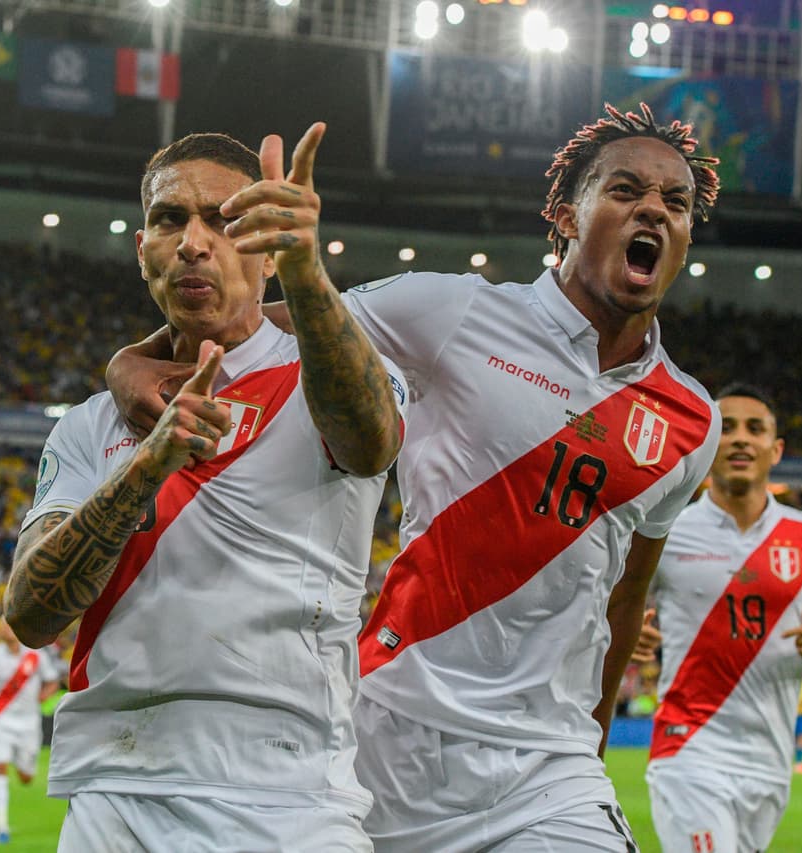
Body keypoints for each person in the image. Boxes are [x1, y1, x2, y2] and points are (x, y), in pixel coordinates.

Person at [107, 103, 723, 851]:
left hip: (550, 770)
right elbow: (248, 328)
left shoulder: (692, 419)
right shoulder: (452, 311)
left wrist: (591, 747)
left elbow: (627, 597)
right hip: (391, 736)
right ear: (564, 213)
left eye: (677, 202)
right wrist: (132, 360)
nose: (654, 207)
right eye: (626, 190)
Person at [4, 124, 406, 851]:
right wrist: (144, 469)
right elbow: (31, 613)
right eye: (169, 219)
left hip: (289, 798)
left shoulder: (330, 368)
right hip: (116, 794)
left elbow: (371, 441)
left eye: (225, 220)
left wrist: (307, 269)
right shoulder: (91, 425)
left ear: (266, 248)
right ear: (142, 252)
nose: (194, 240)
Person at [639, 383, 802, 853]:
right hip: (689, 750)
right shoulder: (664, 528)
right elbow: (608, 607)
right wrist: (623, 633)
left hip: (769, 760)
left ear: (775, 449)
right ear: (706, 444)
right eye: (727, 428)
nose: (741, 438)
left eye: (755, 429)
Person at [0, 617, 61, 844]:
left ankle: (21, 765)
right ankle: (1, 827)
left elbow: (52, 681)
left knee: (26, 777)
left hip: (29, 724)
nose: (5, 628)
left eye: (8, 624)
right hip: (0, 721)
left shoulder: (37, 655)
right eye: (2, 624)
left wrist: (43, 696)